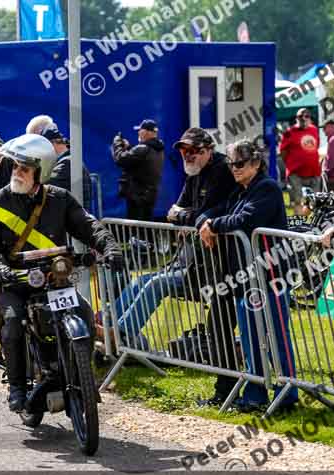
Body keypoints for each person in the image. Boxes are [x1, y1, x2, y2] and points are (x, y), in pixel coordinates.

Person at [0, 133, 122, 411]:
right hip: (16, 281)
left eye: (24, 168)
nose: (17, 173)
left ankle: (82, 376)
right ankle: (17, 387)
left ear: (40, 173)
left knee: (83, 314)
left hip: (56, 281)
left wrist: (110, 249)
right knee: (13, 322)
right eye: (15, 166)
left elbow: (89, 226)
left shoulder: (59, 199)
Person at [114, 127, 238, 407]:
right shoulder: (194, 173)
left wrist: (185, 217)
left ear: (208, 150)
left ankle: (120, 336)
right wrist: (185, 216)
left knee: (156, 284)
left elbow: (204, 214)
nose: (187, 155)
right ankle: (109, 330)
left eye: (193, 150)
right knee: (140, 281)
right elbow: (176, 210)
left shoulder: (220, 171)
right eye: (183, 150)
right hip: (188, 260)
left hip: (211, 270)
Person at [196, 139, 298, 412]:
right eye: (231, 164)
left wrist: (214, 225)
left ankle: (287, 394)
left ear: (256, 162)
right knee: (251, 337)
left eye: (240, 163)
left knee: (276, 336)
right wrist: (204, 220)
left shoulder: (266, 188)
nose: (234, 169)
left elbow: (245, 219)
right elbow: (222, 212)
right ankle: (255, 393)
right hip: (246, 278)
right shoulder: (240, 191)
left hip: (270, 276)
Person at [112, 119, 165, 221]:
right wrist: (129, 148)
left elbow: (120, 159)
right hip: (149, 196)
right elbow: (140, 161)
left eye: (140, 130)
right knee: (145, 228)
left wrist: (117, 143)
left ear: (146, 132)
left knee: (136, 230)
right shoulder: (158, 148)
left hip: (137, 198)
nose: (138, 132)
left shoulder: (143, 148)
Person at [280, 108, 321, 214]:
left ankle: (310, 221)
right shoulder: (289, 132)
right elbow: (283, 151)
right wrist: (292, 164)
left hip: (314, 171)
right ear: (296, 118)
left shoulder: (314, 129)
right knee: (297, 200)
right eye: (300, 116)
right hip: (295, 173)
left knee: (315, 200)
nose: (303, 118)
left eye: (306, 116)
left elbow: (316, 146)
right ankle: (298, 225)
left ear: (309, 118)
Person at [41, 125, 92, 208]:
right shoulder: (70, 160)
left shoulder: (67, 163)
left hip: (74, 219)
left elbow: (44, 186)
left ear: (52, 144)